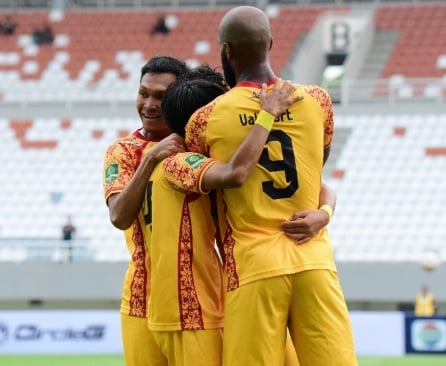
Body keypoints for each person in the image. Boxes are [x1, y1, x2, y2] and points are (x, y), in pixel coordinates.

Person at [183, 6, 357, 365]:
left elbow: (208, 181)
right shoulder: (318, 101)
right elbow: (314, 171)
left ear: (226, 51)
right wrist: (324, 213)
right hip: (313, 258)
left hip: (253, 264)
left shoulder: (205, 118)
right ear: (271, 44)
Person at [144, 70, 301, 366]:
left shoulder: (186, 160)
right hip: (193, 307)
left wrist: (324, 212)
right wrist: (265, 116)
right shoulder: (179, 162)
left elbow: (320, 187)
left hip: (229, 293)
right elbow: (235, 174)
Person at [102, 55, 188, 366]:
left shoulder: (199, 147)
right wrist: (151, 159)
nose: (149, 104)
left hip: (196, 294)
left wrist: (324, 212)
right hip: (141, 296)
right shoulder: (122, 152)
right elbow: (119, 216)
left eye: (161, 97)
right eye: (143, 93)